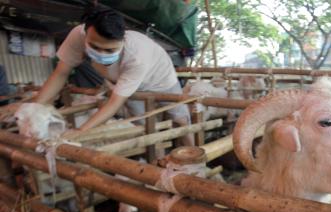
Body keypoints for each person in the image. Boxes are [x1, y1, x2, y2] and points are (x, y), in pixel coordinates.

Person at [0, 8, 194, 145]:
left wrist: (80, 131)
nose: (102, 53)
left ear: (123, 40)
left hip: (161, 80)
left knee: (180, 118)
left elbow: (114, 102)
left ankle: (194, 157)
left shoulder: (137, 55)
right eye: (95, 46)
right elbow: (61, 72)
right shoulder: (77, 35)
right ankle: (156, 159)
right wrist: (33, 106)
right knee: (141, 123)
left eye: (110, 49)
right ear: (85, 33)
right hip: (124, 83)